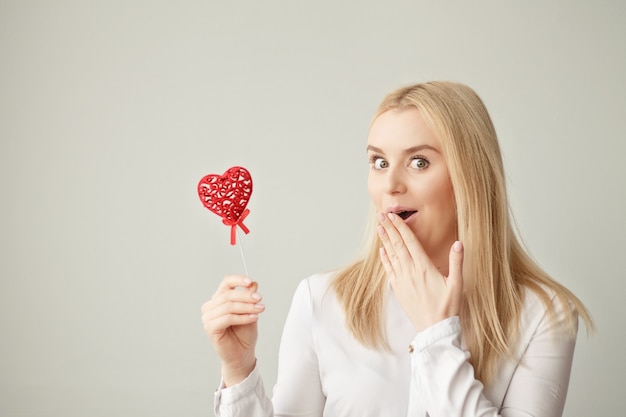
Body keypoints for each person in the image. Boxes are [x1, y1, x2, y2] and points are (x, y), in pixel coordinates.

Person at [201, 81, 593, 417]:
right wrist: (238, 372)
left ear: (469, 178)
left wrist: (437, 334)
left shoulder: (545, 314)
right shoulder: (321, 300)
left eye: (419, 162)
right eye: (378, 161)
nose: (390, 184)